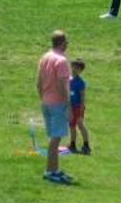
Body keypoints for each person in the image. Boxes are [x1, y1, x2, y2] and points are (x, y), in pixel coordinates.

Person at [36, 31, 74, 183]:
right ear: (63, 43)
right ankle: (50, 171)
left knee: (54, 137)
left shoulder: (45, 57)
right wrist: (67, 105)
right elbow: (61, 85)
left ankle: (55, 170)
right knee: (56, 139)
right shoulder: (62, 61)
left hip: (46, 101)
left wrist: (42, 98)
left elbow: (38, 82)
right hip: (57, 103)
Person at [67, 59, 90, 154]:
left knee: (80, 124)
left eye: (77, 68)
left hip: (78, 107)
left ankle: (86, 144)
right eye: (73, 67)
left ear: (81, 70)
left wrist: (81, 108)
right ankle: (72, 144)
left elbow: (82, 96)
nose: (74, 69)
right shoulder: (68, 80)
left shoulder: (80, 82)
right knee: (71, 126)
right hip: (70, 107)